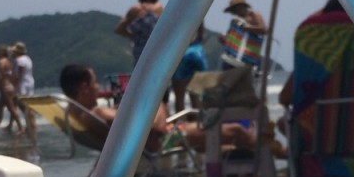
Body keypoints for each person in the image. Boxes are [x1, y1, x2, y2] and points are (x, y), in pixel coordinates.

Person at [59, 64, 254, 155]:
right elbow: (155, 128)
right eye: (94, 83)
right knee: (237, 130)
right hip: (166, 140)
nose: (97, 87)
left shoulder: (77, 114)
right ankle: (265, 153)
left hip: (148, 143)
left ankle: (240, 158)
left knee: (217, 145)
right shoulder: (98, 113)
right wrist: (157, 101)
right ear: (84, 88)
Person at [114, 0, 164, 66]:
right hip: (156, 48)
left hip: (140, 50)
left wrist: (132, 35)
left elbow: (119, 29)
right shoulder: (159, 9)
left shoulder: (135, 10)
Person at [220, 0, 268, 70]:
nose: (234, 13)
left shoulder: (253, 15)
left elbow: (264, 30)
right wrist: (224, 38)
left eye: (234, 10)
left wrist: (248, 28)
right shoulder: (235, 21)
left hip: (249, 57)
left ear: (241, 7)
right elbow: (231, 36)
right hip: (232, 57)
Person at [171, 24, 208, 113]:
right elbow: (201, 31)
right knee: (195, 96)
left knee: (179, 97)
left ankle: (180, 120)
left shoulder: (174, 16)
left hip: (182, 51)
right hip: (197, 50)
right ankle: (198, 120)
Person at [0, 44, 21, 135]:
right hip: (10, 87)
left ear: (1, 53)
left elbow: (0, 74)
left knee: (11, 108)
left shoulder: (1, 62)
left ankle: (20, 127)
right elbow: (11, 75)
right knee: (0, 108)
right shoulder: (8, 62)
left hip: (5, 88)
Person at [12, 41, 36, 140]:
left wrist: (15, 85)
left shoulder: (19, 60)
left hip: (22, 84)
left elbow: (19, 74)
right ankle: (30, 124)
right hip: (29, 83)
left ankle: (31, 124)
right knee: (27, 105)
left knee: (23, 105)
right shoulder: (28, 59)